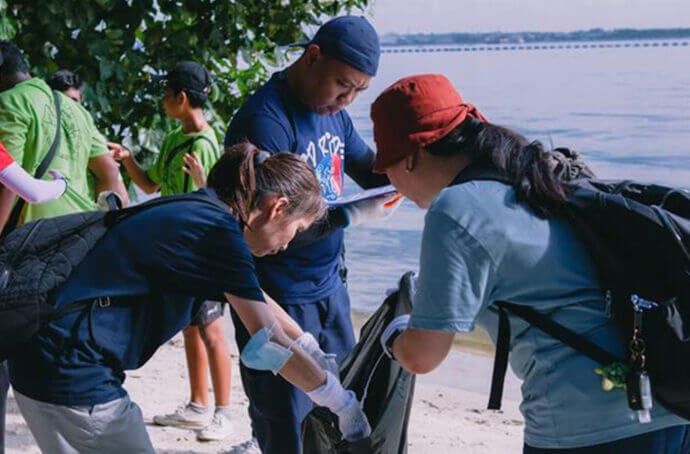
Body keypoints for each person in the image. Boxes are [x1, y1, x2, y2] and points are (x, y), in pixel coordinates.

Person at [373, 74, 690, 453]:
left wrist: (393, 334)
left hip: (587, 427)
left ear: (410, 157)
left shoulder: (457, 210)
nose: (391, 184)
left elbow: (422, 356)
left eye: (385, 167)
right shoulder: (534, 175)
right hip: (669, 406)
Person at [6, 143, 370, 453]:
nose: (289, 244)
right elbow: (266, 343)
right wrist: (339, 401)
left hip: (49, 351)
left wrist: (310, 346)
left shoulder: (206, 210)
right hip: (70, 367)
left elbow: (258, 302)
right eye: (297, 229)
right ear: (277, 207)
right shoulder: (219, 234)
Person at [224, 15, 400, 453]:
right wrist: (354, 217)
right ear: (313, 56)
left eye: (359, 91)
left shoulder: (333, 116)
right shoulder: (266, 120)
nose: (347, 100)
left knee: (345, 408)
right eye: (343, 84)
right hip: (276, 295)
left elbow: (368, 168)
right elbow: (268, 230)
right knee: (286, 423)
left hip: (330, 289)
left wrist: (415, 168)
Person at [108, 61, 234, 440]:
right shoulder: (172, 139)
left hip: (203, 250)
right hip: (176, 248)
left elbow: (221, 202)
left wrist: (201, 181)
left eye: (166, 95)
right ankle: (197, 404)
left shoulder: (207, 144)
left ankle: (223, 411)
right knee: (190, 327)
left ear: (181, 98)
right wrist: (127, 159)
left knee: (211, 329)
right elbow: (150, 186)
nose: (162, 102)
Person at [0, 41, 128, 233]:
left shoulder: (10, 101)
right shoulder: (78, 111)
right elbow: (109, 171)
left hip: (34, 237)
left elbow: (7, 186)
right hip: (80, 233)